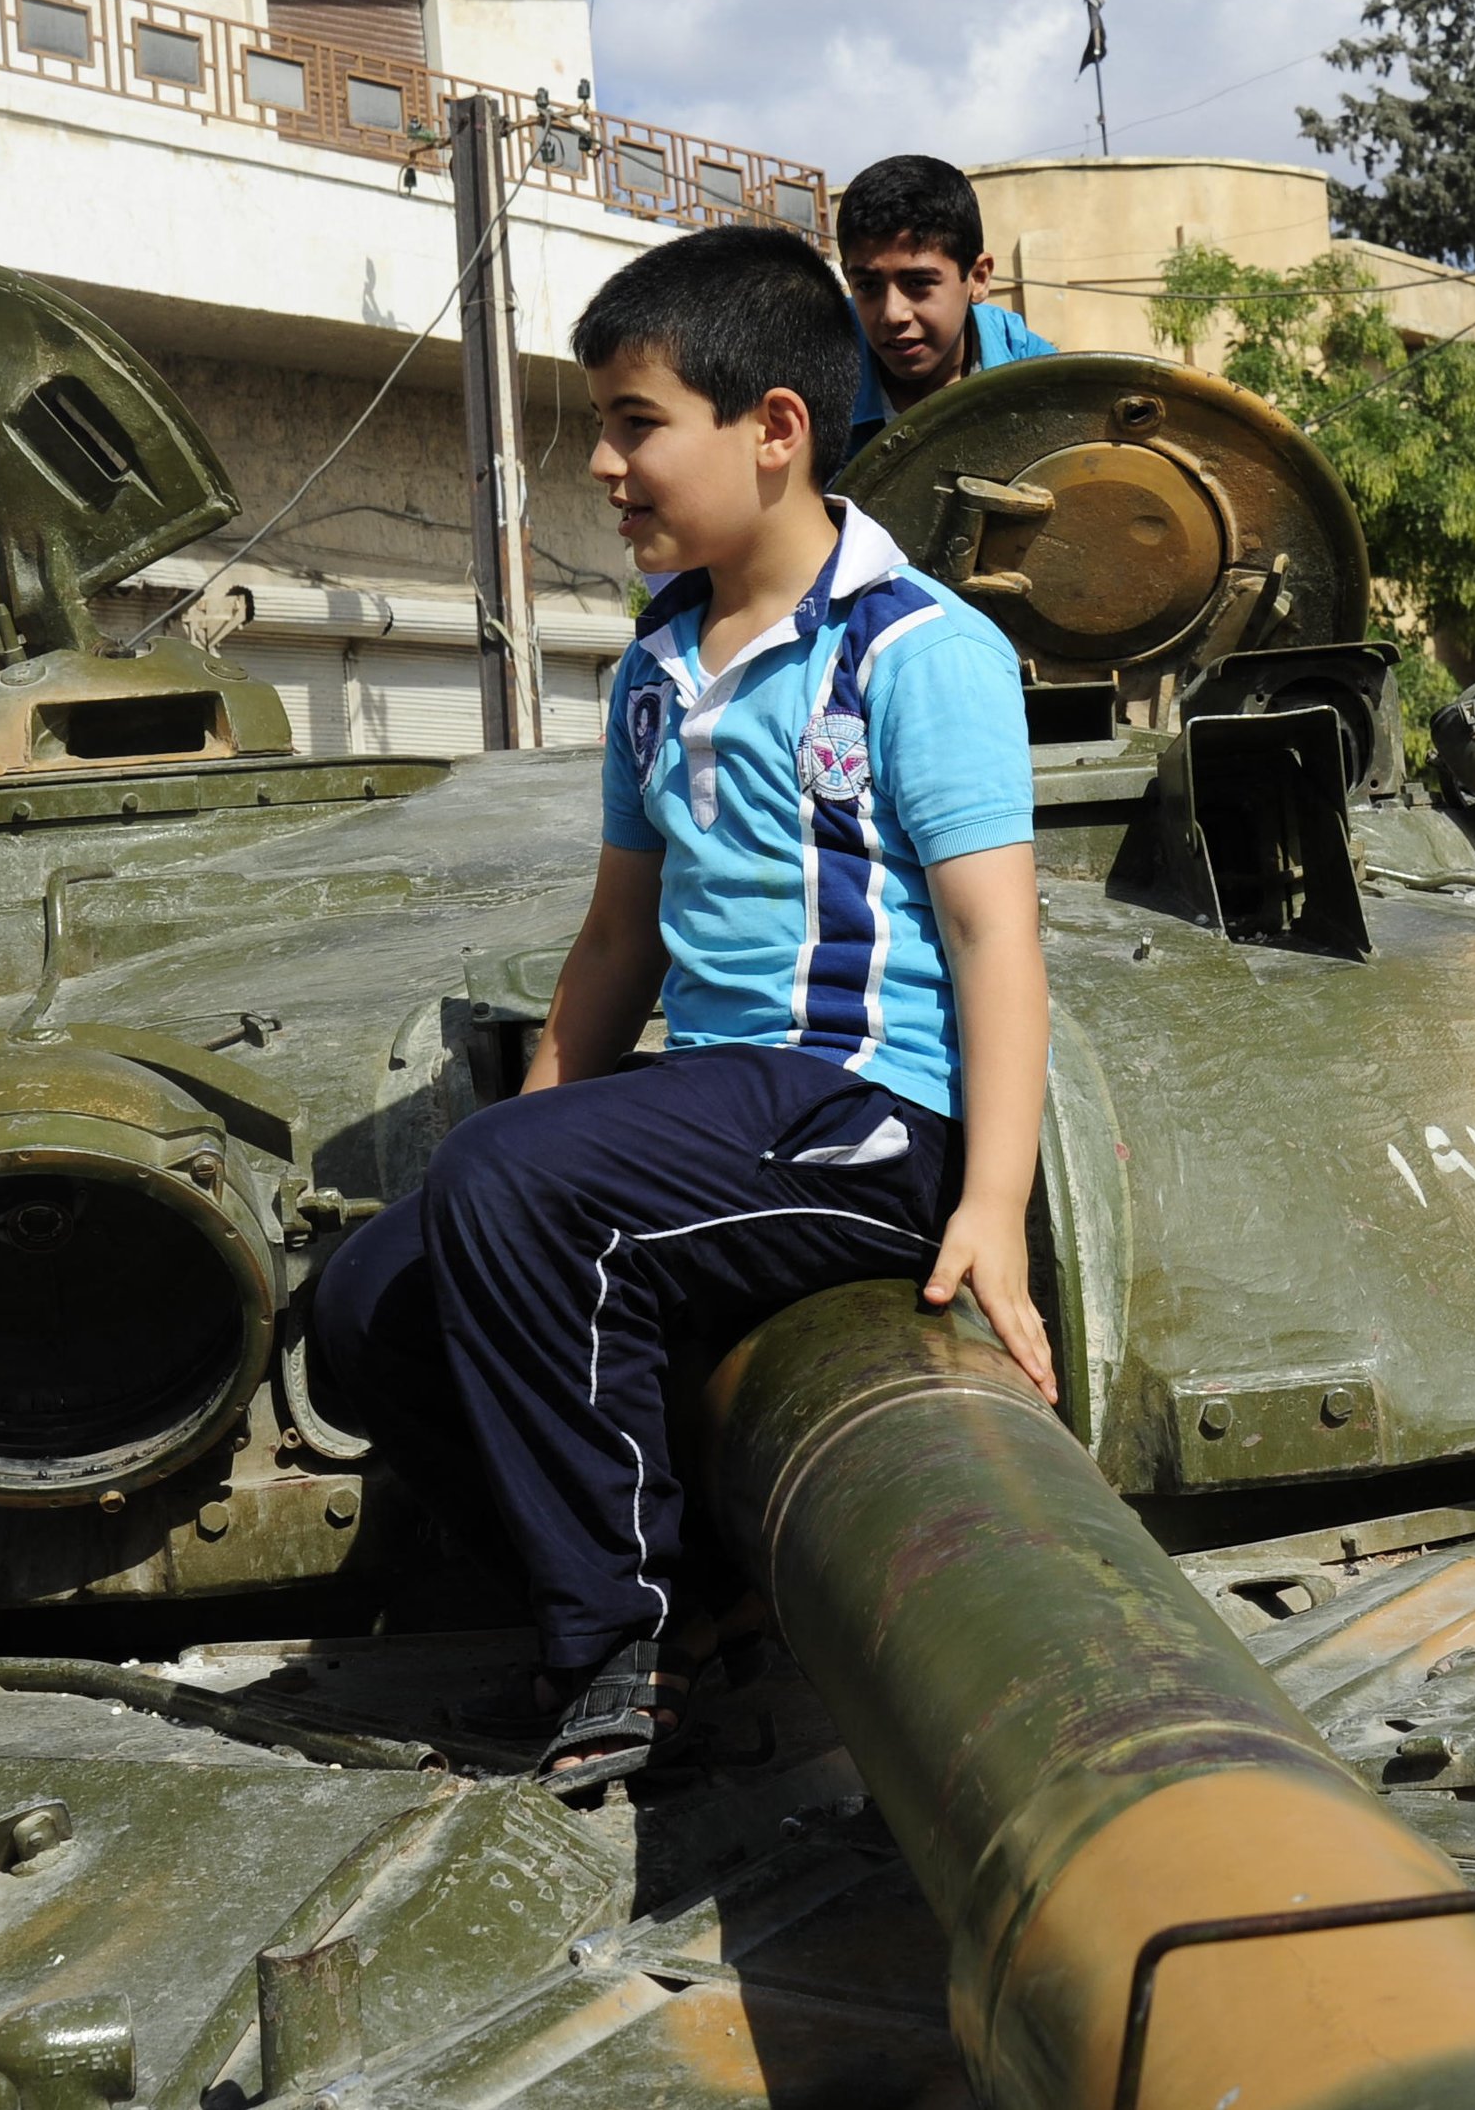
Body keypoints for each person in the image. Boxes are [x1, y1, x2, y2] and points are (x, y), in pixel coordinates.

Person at [313, 222, 1052, 1795]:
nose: (602, 463)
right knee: (370, 1300)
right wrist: (526, 1135)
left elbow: (997, 939)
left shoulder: (919, 648)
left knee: (505, 1190)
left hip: (869, 1113)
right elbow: (614, 939)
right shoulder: (654, 664)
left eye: (635, 422)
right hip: (722, 1107)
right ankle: (703, 1579)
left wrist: (992, 1202)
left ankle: (611, 1649)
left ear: (773, 429)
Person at [833, 153, 1056, 460]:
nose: (892, 314)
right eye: (868, 286)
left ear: (978, 278)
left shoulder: (1046, 386)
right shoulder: (814, 377)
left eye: (918, 283)